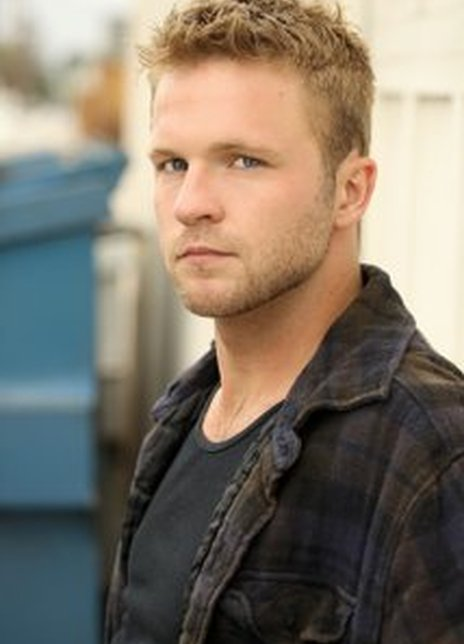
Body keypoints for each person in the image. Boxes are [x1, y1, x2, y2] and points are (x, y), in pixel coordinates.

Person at [105, 0, 464, 642]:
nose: (191, 204)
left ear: (351, 190)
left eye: (244, 160)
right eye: (173, 164)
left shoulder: (430, 451)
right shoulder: (182, 414)